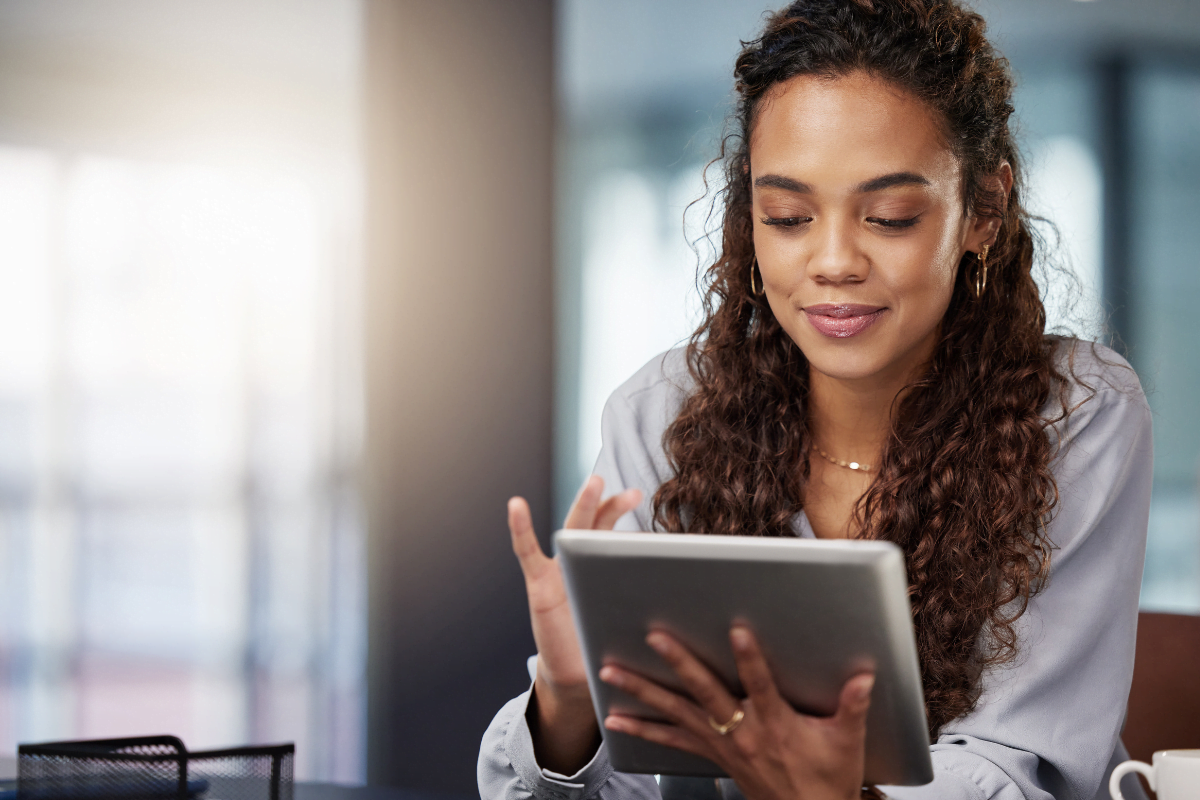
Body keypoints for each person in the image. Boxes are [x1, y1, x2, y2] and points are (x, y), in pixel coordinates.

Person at [478, 1, 1153, 798]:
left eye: (890, 216)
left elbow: (1019, 764)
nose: (832, 260)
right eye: (789, 216)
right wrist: (569, 703)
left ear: (986, 211)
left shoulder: (1075, 414)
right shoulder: (663, 414)